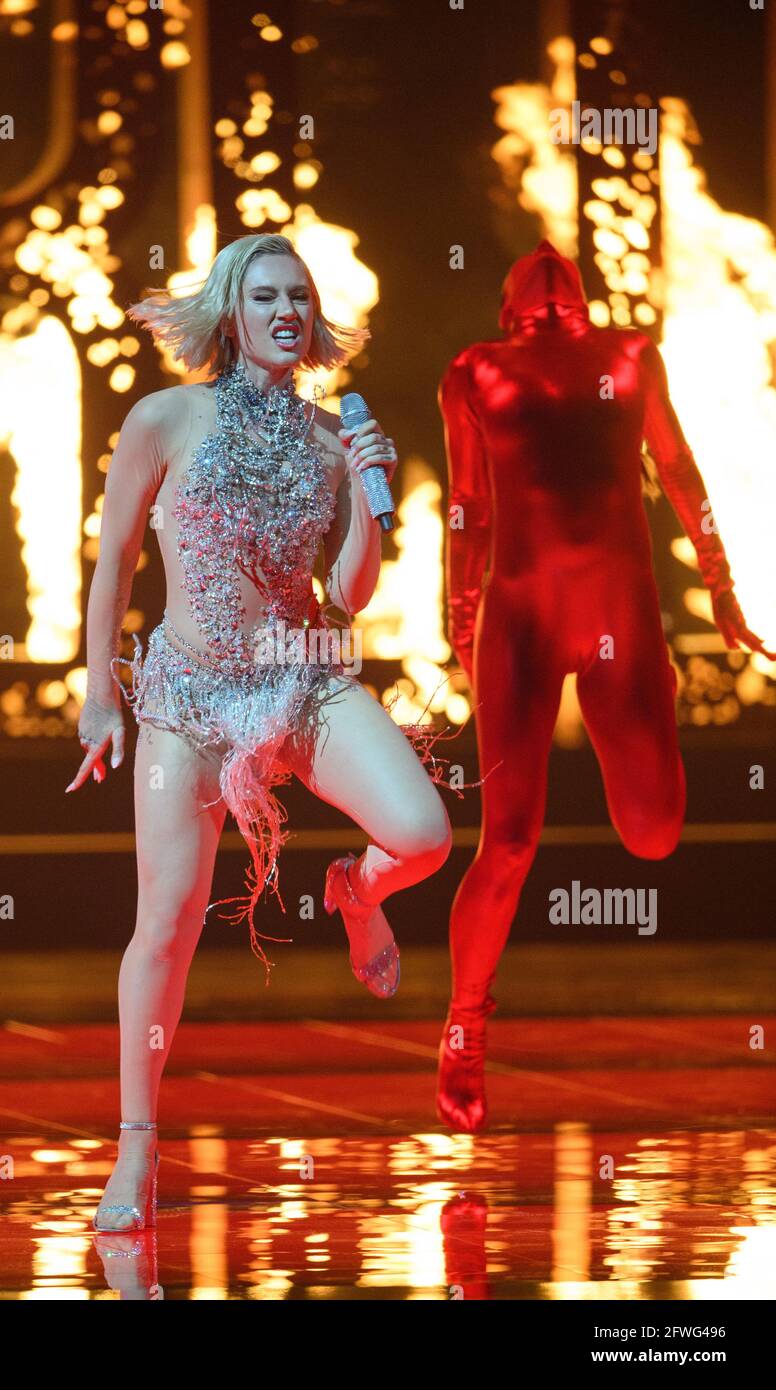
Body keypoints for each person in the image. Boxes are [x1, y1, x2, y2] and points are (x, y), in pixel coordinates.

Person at [67, 232, 453, 1231]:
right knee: (168, 924)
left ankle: (356, 893)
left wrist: (370, 505)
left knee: (424, 833)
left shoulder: (334, 438)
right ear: (232, 313)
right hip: (188, 702)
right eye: (267, 295)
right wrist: (99, 690)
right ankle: (135, 1154)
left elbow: (349, 593)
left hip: (301, 682)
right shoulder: (165, 417)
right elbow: (111, 560)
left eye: (300, 297)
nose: (287, 311)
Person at [437, 239, 773, 1134]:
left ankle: (465, 1021)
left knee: (594, 840)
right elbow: (681, 477)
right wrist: (721, 586)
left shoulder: (523, 364)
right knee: (543, 841)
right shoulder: (538, 364)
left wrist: (459, 614)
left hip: (540, 616)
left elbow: (466, 509)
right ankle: (466, 1024)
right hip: (551, 615)